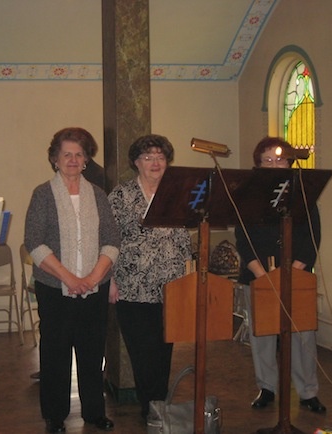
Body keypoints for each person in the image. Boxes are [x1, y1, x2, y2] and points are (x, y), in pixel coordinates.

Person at [24, 127, 120, 433]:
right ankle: (55, 416)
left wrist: (93, 278)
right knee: (55, 354)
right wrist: (70, 278)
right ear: (55, 158)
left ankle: (94, 412)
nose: (73, 159)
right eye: (67, 154)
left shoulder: (98, 195)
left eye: (79, 154)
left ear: (87, 159)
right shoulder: (43, 194)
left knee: (93, 354)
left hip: (94, 288)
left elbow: (112, 240)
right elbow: (35, 244)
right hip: (54, 289)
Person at [235, 136, 326, 413]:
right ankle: (267, 387)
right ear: (258, 165)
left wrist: (292, 273)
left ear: (289, 162)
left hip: (296, 276)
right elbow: (243, 239)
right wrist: (263, 275)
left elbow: (313, 237)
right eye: (268, 160)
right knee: (262, 336)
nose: (274, 164)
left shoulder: (303, 195)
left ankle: (308, 392)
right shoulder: (247, 195)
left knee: (302, 335)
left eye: (280, 159)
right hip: (258, 276)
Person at [107, 134, 192, 421]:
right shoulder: (121, 195)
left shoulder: (178, 192)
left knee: (164, 351)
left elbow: (185, 240)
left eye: (160, 156)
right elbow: (107, 239)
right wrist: (110, 280)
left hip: (171, 286)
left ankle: (159, 406)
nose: (155, 162)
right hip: (132, 287)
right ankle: (150, 408)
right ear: (136, 162)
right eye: (148, 157)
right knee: (142, 353)